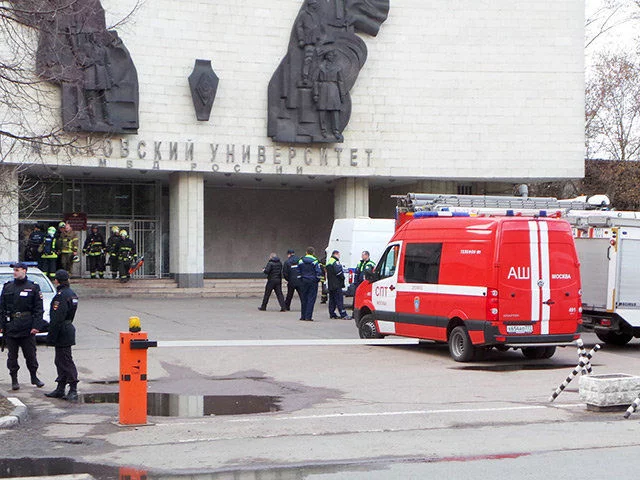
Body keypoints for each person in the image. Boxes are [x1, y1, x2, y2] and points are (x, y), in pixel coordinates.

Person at [0, 262, 46, 391]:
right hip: (12, 326)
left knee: (30, 355)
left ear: (24, 271)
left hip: (27, 327)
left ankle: (34, 377)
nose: (14, 272)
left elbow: (38, 309)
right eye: (14, 270)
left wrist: (36, 326)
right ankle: (14, 380)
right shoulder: (8, 287)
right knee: (12, 357)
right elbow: (2, 308)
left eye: (17, 270)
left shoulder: (33, 287)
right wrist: (2, 325)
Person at [45, 269, 79, 402]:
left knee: (65, 360)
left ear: (56, 281)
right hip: (67, 327)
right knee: (60, 360)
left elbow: (57, 318)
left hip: (62, 330)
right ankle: (60, 387)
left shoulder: (61, 296)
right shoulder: (71, 293)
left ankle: (73, 388)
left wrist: (51, 336)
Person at [297, 246, 322, 321]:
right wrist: (317, 280)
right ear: (313, 253)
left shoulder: (301, 260)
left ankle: (303, 316)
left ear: (306, 252)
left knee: (303, 298)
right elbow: (318, 272)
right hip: (312, 282)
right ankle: (308, 316)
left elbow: (298, 271)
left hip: (303, 281)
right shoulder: (315, 261)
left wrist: (300, 279)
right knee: (311, 299)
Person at [325, 250, 351, 319]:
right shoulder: (335, 262)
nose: (339, 256)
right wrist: (343, 278)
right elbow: (339, 272)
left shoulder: (329, 261)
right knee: (339, 299)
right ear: (336, 254)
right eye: (339, 255)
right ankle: (343, 314)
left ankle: (332, 314)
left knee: (332, 300)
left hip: (331, 284)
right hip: (336, 284)